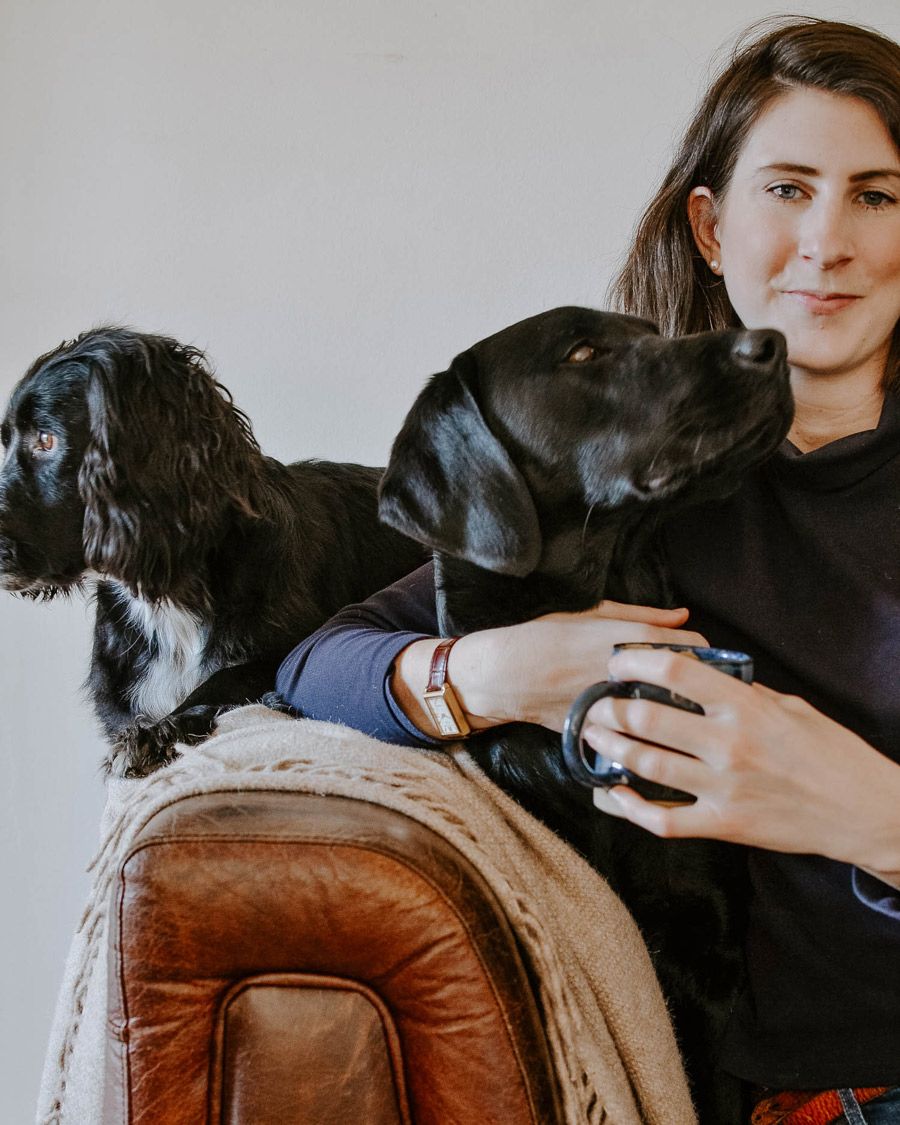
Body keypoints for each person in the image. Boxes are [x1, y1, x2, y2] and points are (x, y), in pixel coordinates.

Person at [276, 17, 900, 1124]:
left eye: (876, 196)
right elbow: (320, 666)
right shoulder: (637, 490)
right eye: (788, 190)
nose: (827, 242)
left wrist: (872, 815)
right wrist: (497, 673)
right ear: (711, 228)